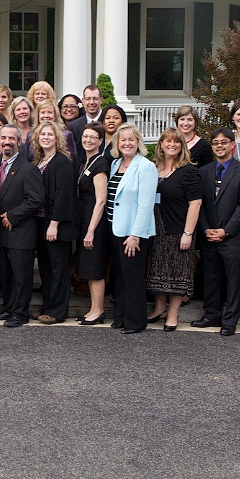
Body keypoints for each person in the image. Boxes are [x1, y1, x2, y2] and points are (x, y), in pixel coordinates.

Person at [192, 128, 240, 336]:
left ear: (232, 145)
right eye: (216, 143)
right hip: (208, 234)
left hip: (233, 237)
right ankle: (211, 314)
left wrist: (225, 231)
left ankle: (230, 320)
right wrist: (205, 229)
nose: (220, 146)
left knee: (233, 280)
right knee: (211, 277)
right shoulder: (204, 172)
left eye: (224, 142)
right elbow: (198, 204)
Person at [145, 128, 202, 331]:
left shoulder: (189, 171)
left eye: (176, 142)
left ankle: (173, 313)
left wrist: (188, 233)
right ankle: (159, 308)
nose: (172, 145)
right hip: (156, 229)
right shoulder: (153, 168)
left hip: (178, 229)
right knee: (158, 270)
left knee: (178, 273)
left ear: (182, 146)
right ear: (160, 144)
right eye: (167, 141)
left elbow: (195, 204)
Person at [105, 124, 158, 334]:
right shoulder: (116, 163)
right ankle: (120, 317)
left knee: (132, 278)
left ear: (138, 143)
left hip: (132, 232)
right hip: (115, 227)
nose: (127, 144)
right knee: (119, 276)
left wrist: (135, 235)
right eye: (123, 140)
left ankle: (135, 321)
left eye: (131, 140)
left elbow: (146, 204)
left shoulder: (145, 167)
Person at [0, 125, 42, 327]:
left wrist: (13, 215)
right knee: (7, 275)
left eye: (11, 138)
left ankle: (20, 313)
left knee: (21, 275)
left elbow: (36, 199)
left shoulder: (29, 169)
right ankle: (9, 308)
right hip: (2, 233)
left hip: (21, 231)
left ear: (19, 142)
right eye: (3, 138)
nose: (7, 141)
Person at [31, 121, 77, 325]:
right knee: (46, 267)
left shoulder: (61, 161)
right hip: (41, 221)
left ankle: (58, 311)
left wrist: (54, 223)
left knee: (58, 267)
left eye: (50, 134)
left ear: (57, 138)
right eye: (43, 135)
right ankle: (48, 306)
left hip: (56, 223)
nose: (46, 137)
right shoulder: (40, 160)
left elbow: (64, 195)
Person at [75, 122, 109, 325]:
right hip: (84, 219)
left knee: (95, 266)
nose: (87, 140)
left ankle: (99, 310)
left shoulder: (100, 164)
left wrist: (90, 230)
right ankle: (93, 308)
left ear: (100, 141)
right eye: (85, 136)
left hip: (94, 222)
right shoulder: (86, 161)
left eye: (92, 137)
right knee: (88, 266)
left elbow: (101, 200)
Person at [9, 96, 34, 160]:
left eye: (25, 108)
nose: (22, 112)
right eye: (18, 109)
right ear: (14, 113)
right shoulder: (10, 133)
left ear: (30, 110)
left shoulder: (37, 132)